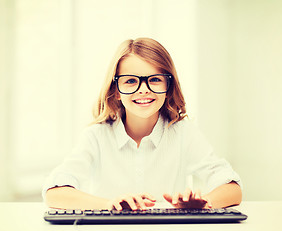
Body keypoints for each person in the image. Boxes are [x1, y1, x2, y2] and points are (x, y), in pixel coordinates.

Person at [43, 38, 242, 211]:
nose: (143, 90)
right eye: (130, 81)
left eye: (155, 79)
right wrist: (109, 205)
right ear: (116, 90)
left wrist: (204, 203)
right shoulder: (96, 136)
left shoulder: (184, 133)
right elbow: (55, 193)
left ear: (168, 85)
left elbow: (232, 189)